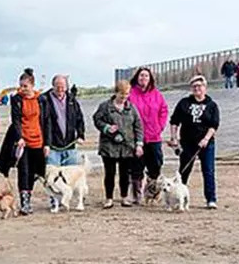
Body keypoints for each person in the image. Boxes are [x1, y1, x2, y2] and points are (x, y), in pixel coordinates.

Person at [168, 75, 220, 209]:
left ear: (205, 88)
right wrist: (174, 137)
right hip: (187, 142)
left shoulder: (212, 105)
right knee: (184, 171)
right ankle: (177, 197)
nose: (197, 88)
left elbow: (214, 125)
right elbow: (174, 121)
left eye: (200, 86)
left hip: (206, 143)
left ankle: (211, 199)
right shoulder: (184, 103)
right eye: (194, 86)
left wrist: (206, 139)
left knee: (208, 170)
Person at [93, 80, 144, 209]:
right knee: (109, 173)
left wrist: (139, 144)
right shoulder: (105, 106)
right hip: (108, 147)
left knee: (125, 174)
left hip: (127, 147)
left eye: (127, 94)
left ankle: (124, 197)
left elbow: (138, 126)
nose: (124, 97)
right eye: (122, 94)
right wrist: (106, 127)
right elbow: (96, 119)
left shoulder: (131, 108)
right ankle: (109, 198)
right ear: (116, 92)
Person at [40, 75, 86, 209]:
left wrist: (81, 134)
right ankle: (55, 202)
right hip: (52, 146)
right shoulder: (45, 100)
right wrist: (46, 144)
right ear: (53, 86)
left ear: (66, 87)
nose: (60, 89)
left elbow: (79, 118)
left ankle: (74, 201)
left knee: (72, 177)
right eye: (57, 86)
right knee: (52, 179)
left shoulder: (72, 99)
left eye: (63, 87)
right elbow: (45, 123)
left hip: (70, 144)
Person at [128, 67, 169, 196]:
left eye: (146, 76)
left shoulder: (156, 94)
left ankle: (152, 192)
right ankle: (136, 195)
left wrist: (160, 126)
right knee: (136, 166)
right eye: (141, 76)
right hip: (137, 138)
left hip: (154, 136)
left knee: (156, 165)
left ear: (150, 78)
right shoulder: (131, 93)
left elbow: (164, 110)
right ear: (137, 78)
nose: (143, 78)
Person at [11, 68, 46, 215]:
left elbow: (47, 121)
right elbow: (16, 120)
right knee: (23, 171)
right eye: (21, 86)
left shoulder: (42, 99)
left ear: (32, 85)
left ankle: (34, 196)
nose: (22, 89)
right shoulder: (17, 99)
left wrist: (48, 142)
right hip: (23, 141)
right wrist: (19, 137)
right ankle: (25, 203)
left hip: (39, 140)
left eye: (25, 86)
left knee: (35, 172)